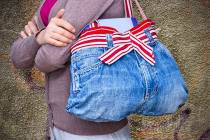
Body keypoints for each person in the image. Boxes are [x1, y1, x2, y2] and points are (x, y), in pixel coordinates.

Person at [10, 0, 131, 139]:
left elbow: (49, 59)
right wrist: (40, 37)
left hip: (94, 130)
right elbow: (17, 56)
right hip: (58, 122)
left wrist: (36, 41)